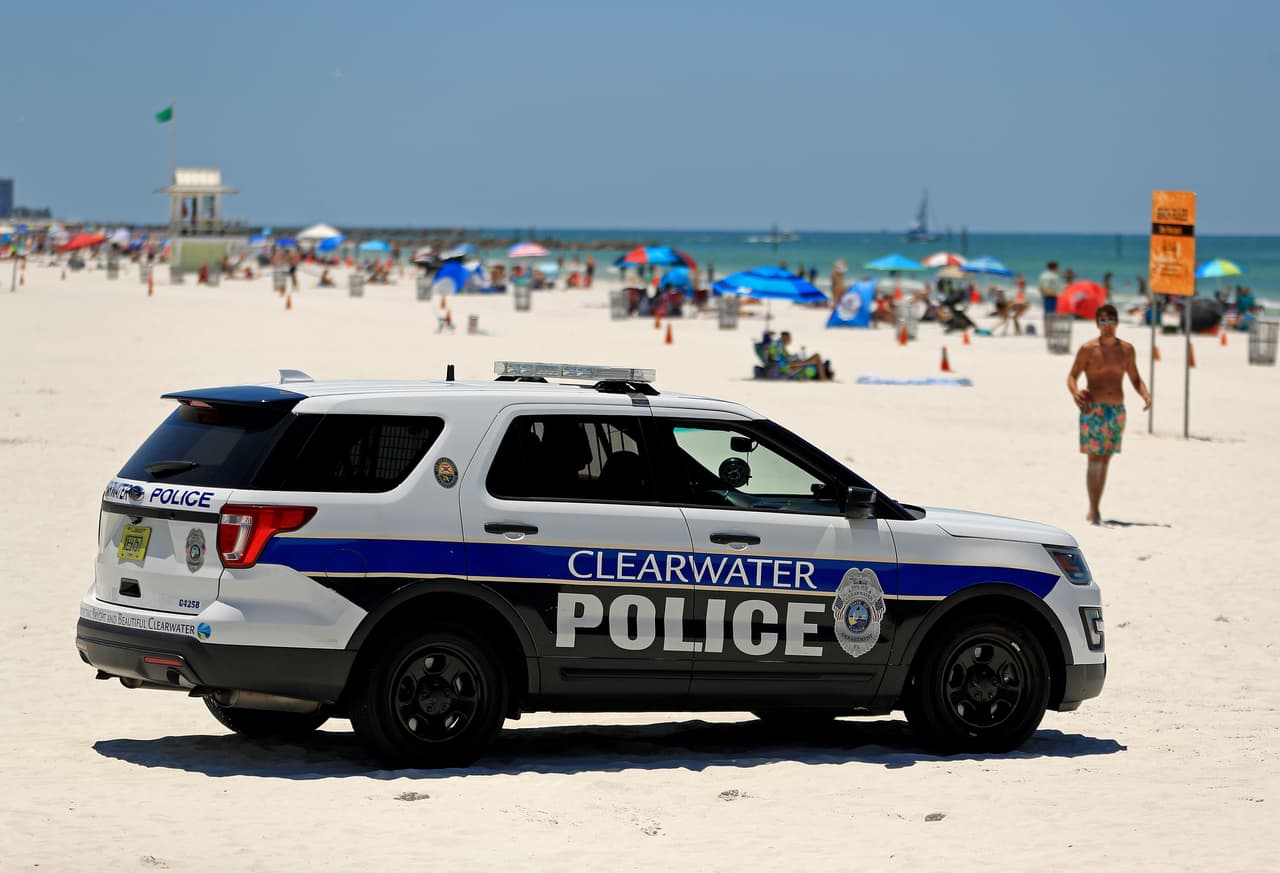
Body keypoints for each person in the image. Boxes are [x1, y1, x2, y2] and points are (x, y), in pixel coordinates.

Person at [1066, 303, 1151, 525]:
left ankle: (1095, 508)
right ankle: (1093, 510)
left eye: (1111, 320)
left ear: (1117, 322)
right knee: (1094, 460)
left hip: (1116, 410)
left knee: (1105, 460)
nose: (1107, 325)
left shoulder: (1126, 350)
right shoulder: (1088, 349)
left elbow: (1134, 377)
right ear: (1097, 324)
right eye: (1102, 321)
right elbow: (1072, 376)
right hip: (1094, 410)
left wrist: (1145, 395)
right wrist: (1075, 394)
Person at [1038, 261, 1062, 330]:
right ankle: (1048, 330)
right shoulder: (1048, 276)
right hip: (1050, 297)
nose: (1059, 269)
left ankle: (1049, 330)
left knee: (1050, 314)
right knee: (1050, 314)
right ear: (1055, 267)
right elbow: (1044, 288)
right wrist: (1057, 294)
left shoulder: (1047, 275)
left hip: (1052, 297)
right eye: (1058, 267)